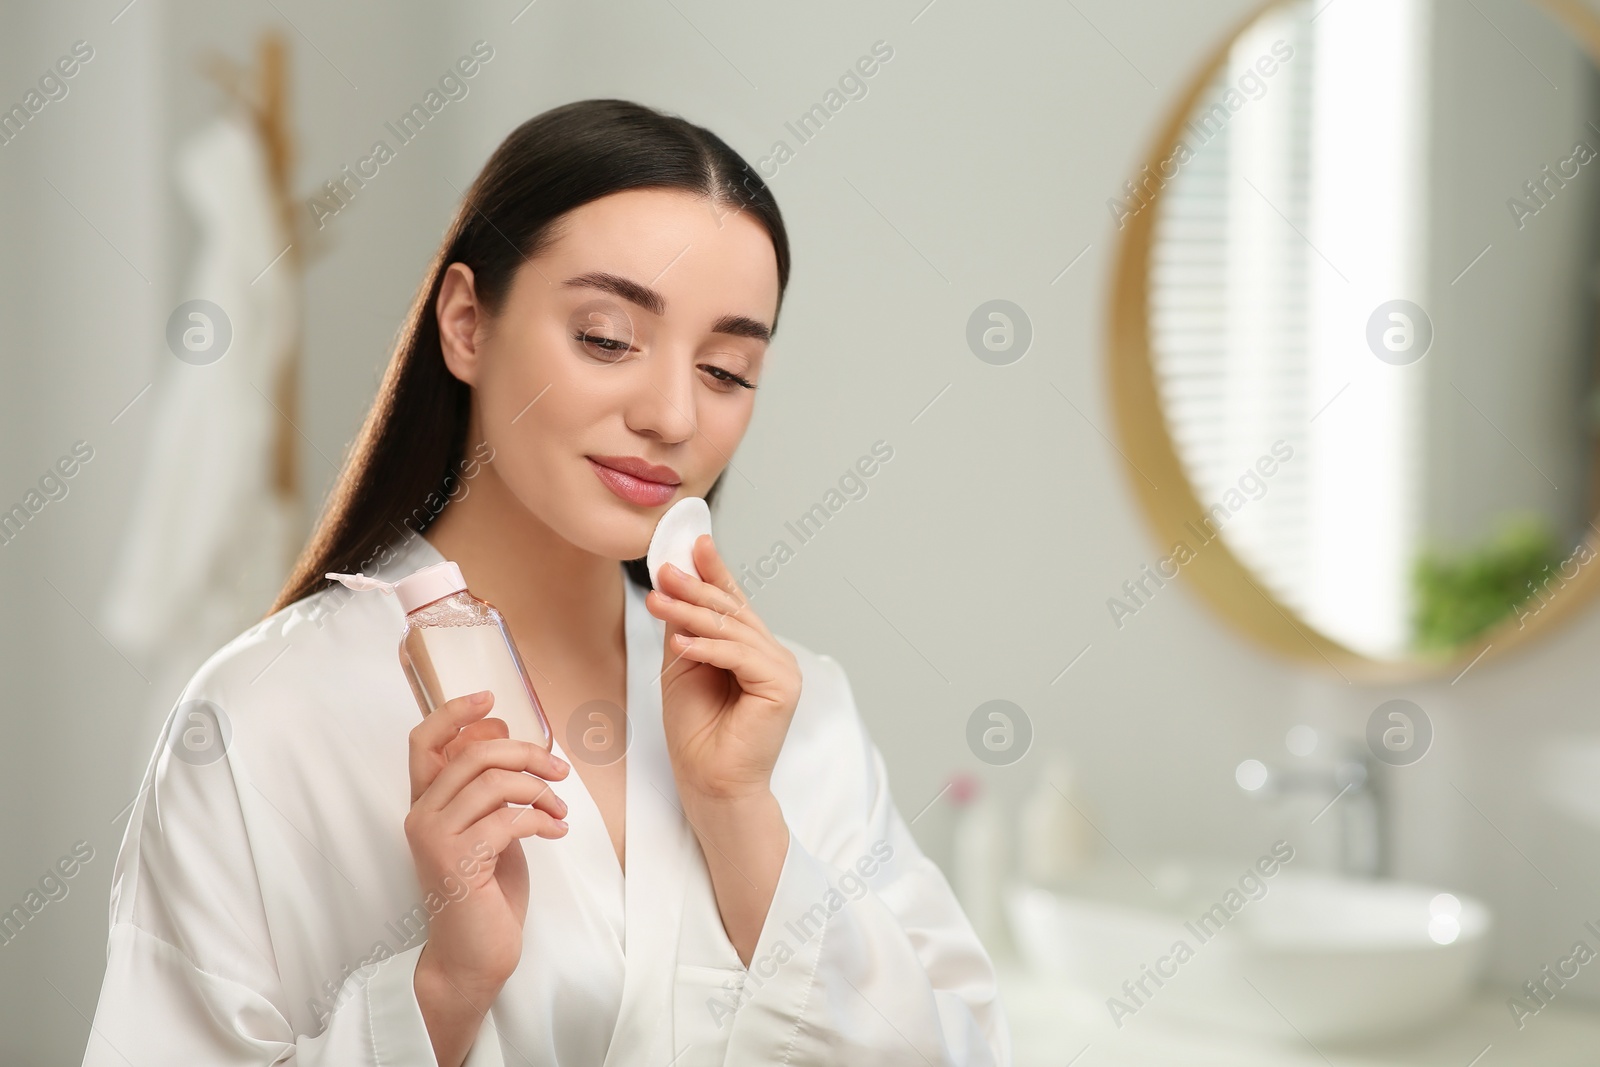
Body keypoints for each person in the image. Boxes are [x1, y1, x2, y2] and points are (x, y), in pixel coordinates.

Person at [82, 98, 1011, 1066]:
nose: (671, 413)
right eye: (607, 338)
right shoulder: (262, 716)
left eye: (727, 369)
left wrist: (740, 819)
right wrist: (442, 991)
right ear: (466, 324)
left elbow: (965, 1049)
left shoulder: (797, 715)